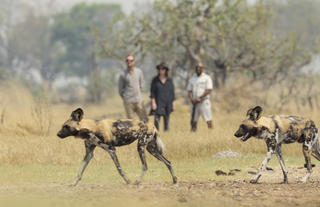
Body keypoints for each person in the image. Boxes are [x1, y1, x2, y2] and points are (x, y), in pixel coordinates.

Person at [118, 55, 147, 122]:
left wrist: (138, 93)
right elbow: (120, 89)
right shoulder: (122, 74)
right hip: (128, 101)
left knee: (144, 119)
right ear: (125, 62)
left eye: (131, 60)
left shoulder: (139, 72)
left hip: (138, 100)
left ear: (134, 62)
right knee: (130, 122)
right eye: (127, 60)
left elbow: (141, 84)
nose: (129, 62)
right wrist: (125, 98)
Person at [187, 62, 213, 131]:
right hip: (194, 103)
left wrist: (200, 98)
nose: (198, 69)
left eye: (200, 67)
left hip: (204, 102)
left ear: (202, 69)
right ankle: (193, 134)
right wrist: (192, 99)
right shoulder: (192, 78)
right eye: (197, 67)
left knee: (208, 119)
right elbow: (189, 90)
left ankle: (211, 134)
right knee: (193, 120)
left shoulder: (207, 78)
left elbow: (209, 90)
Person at [150, 62, 175, 131]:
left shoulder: (170, 80)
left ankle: (166, 134)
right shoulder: (155, 80)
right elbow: (152, 92)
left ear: (166, 70)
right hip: (158, 102)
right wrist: (153, 103)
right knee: (156, 121)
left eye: (163, 69)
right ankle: (156, 135)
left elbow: (172, 93)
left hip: (168, 103)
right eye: (160, 69)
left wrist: (173, 104)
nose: (161, 70)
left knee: (166, 122)